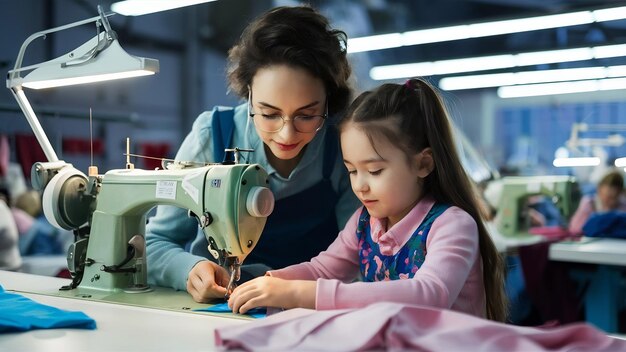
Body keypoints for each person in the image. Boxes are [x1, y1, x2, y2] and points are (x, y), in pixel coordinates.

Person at [227, 78, 508, 322]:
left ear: (423, 164)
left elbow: (429, 295)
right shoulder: (365, 223)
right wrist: (269, 282)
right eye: (351, 170)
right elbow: (323, 269)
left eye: (374, 171)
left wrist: (300, 293)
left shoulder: (452, 225)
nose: (360, 186)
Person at [145, 6, 360, 302]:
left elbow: (363, 253)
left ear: (328, 103)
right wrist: (189, 269)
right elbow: (156, 242)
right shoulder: (213, 136)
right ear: (248, 94)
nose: (286, 135)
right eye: (269, 114)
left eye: (307, 115)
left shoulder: (342, 146)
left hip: (307, 312)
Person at [568, 170, 626, 235]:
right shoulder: (589, 203)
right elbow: (575, 228)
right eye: (605, 196)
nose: (607, 201)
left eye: (612, 198)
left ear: (620, 194)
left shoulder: (623, 205)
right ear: (599, 190)